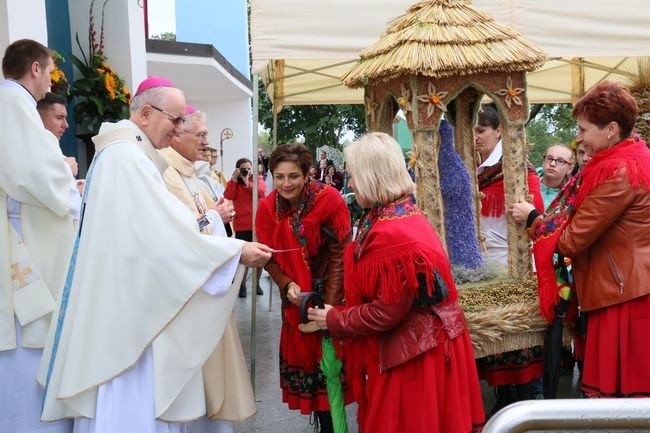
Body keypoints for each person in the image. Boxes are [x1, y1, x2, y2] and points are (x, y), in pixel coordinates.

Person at [38, 76, 272, 432]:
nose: (178, 131)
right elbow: (166, 235)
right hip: (129, 313)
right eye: (176, 120)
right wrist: (235, 251)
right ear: (146, 113)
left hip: (130, 299)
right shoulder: (126, 158)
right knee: (132, 401)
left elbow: (163, 228)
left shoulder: (128, 155)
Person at [307, 132, 485, 433]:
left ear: (371, 176)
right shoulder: (392, 214)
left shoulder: (393, 232)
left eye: (353, 176)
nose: (349, 183)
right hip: (418, 348)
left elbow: (386, 312)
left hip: (415, 357)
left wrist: (335, 318)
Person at [510, 80, 650, 399]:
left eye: (584, 129)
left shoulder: (618, 171)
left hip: (622, 295)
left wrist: (536, 220)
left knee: (623, 399)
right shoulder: (629, 157)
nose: (579, 137)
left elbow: (572, 240)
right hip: (624, 286)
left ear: (611, 129)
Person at [159, 106, 256, 430]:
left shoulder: (191, 174)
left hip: (208, 295)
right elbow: (176, 234)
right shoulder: (165, 174)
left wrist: (218, 216)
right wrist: (215, 217)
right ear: (178, 135)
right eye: (200, 135)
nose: (205, 142)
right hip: (188, 299)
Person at [0, 38, 77, 433]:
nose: (50, 79)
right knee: (26, 329)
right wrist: (66, 178)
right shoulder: (14, 103)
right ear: (34, 68)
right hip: (22, 234)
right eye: (48, 70)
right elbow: (34, 176)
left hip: (20, 228)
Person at [255, 143, 353, 433]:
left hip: (327, 299)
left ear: (308, 174)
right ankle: (325, 425)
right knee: (311, 377)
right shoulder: (266, 208)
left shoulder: (330, 200)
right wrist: (286, 285)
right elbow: (268, 257)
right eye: (280, 176)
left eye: (294, 176)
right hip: (295, 305)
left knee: (331, 373)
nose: (286, 184)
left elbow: (340, 255)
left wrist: (328, 309)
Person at [474, 104, 545, 412]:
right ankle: (504, 399)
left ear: (499, 130)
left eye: (482, 130)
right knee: (494, 341)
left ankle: (528, 401)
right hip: (484, 264)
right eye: (473, 131)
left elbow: (536, 212)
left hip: (514, 261)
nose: (476, 137)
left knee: (519, 338)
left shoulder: (518, 168)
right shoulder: (471, 168)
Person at [224, 158, 266, 297]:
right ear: (237, 169)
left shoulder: (258, 179)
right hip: (242, 225)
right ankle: (242, 285)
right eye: (243, 168)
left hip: (257, 224)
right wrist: (235, 180)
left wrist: (247, 181)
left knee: (259, 255)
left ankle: (257, 284)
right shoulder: (234, 182)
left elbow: (260, 192)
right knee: (243, 257)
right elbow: (228, 195)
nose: (246, 171)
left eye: (249, 168)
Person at [539, 144, 575, 208]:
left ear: (570, 169)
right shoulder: (526, 181)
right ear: (543, 162)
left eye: (560, 161)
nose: (552, 164)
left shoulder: (570, 198)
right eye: (549, 158)